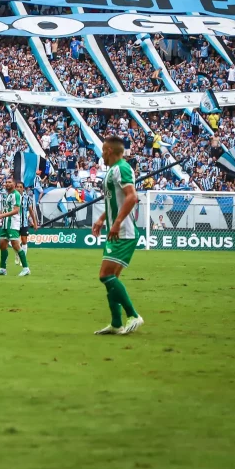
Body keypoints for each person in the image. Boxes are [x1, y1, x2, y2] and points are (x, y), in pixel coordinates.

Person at [90, 137, 143, 335]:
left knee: (105, 275)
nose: (101, 154)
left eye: (103, 150)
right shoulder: (112, 171)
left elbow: (132, 197)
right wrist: (103, 218)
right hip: (115, 229)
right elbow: (116, 200)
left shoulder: (122, 168)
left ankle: (133, 315)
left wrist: (118, 222)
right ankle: (116, 323)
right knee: (112, 278)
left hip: (124, 231)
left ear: (110, 150)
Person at [0, 177, 30, 277]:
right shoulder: (8, 195)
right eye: (6, 182)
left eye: (10, 182)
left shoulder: (16, 195)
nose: (7, 184)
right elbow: (7, 209)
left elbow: (16, 210)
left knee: (16, 245)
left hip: (13, 223)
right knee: (2, 245)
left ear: (14, 184)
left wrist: (1, 216)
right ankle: (2, 269)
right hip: (6, 223)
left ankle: (26, 268)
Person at [14, 180, 38, 266]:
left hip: (24, 223)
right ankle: (17, 253)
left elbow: (31, 211)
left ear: (23, 188)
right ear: (15, 187)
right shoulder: (12, 197)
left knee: (24, 241)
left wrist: (35, 223)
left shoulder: (27, 198)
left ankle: (22, 259)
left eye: (21, 187)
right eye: (17, 187)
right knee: (15, 242)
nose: (19, 189)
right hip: (14, 223)